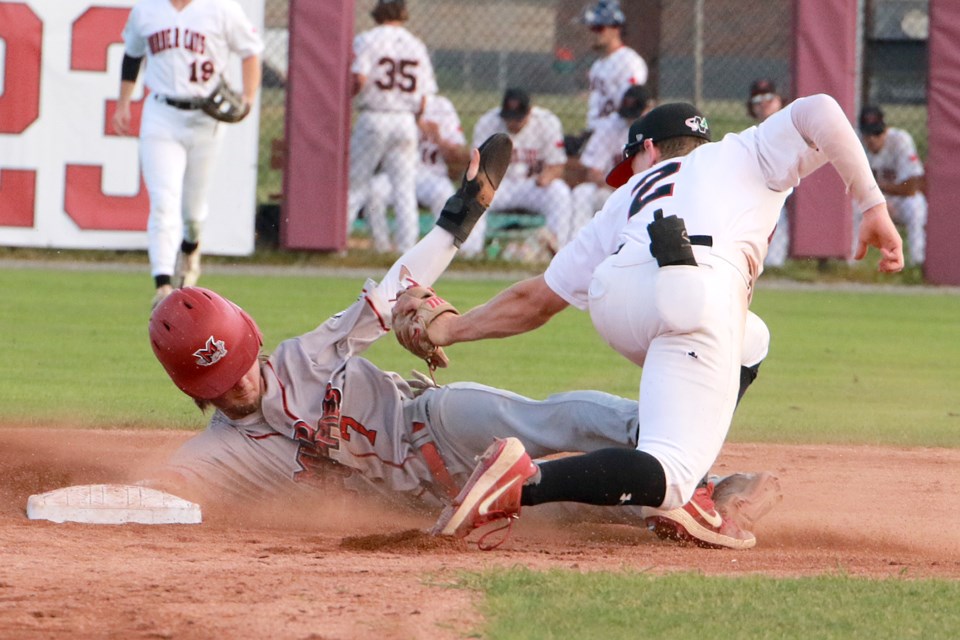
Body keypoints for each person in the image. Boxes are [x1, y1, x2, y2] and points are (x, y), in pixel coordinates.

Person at [148, 138, 780, 546]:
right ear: (192, 390)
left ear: (251, 341)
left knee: (554, 418)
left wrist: (458, 219)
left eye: (238, 366)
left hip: (434, 424)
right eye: (218, 384)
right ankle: (672, 501)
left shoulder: (306, 355)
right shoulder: (220, 454)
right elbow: (164, 492)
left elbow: (396, 288)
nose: (238, 385)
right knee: (586, 512)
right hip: (419, 502)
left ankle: (698, 471)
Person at [398, 95, 904, 549]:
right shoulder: (744, 152)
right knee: (671, 474)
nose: (629, 171)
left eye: (631, 160)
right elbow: (820, 109)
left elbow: (536, 301)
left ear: (653, 151)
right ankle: (523, 483)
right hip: (695, 291)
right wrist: (872, 204)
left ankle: (677, 471)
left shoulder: (624, 199)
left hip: (618, 296)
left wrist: (448, 328)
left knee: (751, 338)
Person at [113, 0, 263, 309]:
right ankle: (163, 283)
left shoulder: (222, 9)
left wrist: (248, 98)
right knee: (163, 201)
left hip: (206, 117)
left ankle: (190, 248)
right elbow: (133, 54)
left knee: (192, 213)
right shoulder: (147, 10)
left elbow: (251, 50)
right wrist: (124, 103)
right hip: (162, 113)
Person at [346, 0, 438, 255]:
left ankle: (339, 244)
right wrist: (416, 117)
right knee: (404, 189)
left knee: (356, 184)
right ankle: (407, 250)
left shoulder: (367, 39)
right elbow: (424, 96)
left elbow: (360, 78)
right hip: (405, 119)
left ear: (377, 12)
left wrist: (348, 97)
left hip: (374, 116)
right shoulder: (415, 44)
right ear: (403, 13)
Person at [363, 95, 471, 255]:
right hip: (395, 174)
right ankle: (382, 249)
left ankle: (439, 254)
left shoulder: (441, 106)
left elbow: (458, 157)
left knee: (445, 196)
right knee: (373, 192)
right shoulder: (392, 104)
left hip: (432, 176)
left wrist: (437, 137)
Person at [469, 88, 574, 252]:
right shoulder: (487, 122)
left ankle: (557, 249)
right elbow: (477, 166)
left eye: (518, 119)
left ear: (529, 112)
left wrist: (546, 177)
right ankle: (470, 252)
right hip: (498, 187)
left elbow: (557, 165)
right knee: (474, 194)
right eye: (509, 118)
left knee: (560, 192)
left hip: (533, 186)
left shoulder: (547, 122)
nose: (512, 123)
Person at [565, 0, 649, 158]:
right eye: (591, 28)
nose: (593, 33)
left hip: (619, 134)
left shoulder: (629, 62)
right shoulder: (598, 65)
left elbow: (632, 107)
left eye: (598, 28)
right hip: (596, 133)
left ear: (615, 28)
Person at [571, 85, 652, 240]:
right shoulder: (610, 125)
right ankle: (575, 244)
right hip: (611, 191)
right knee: (582, 192)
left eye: (635, 114)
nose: (630, 119)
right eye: (627, 114)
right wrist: (617, 187)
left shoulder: (658, 128)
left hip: (646, 193)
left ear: (649, 108)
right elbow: (593, 172)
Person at [856, 105, 927, 266]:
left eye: (877, 133)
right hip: (871, 200)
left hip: (898, 200)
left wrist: (881, 191)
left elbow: (912, 187)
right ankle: (849, 262)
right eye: (868, 134)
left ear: (885, 129)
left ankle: (918, 262)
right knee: (852, 208)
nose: (872, 139)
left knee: (916, 206)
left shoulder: (900, 140)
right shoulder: (855, 144)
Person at [746, 78, 790, 267]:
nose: (764, 104)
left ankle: (774, 264)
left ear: (779, 100)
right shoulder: (750, 135)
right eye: (758, 100)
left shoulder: (792, 125)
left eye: (769, 98)